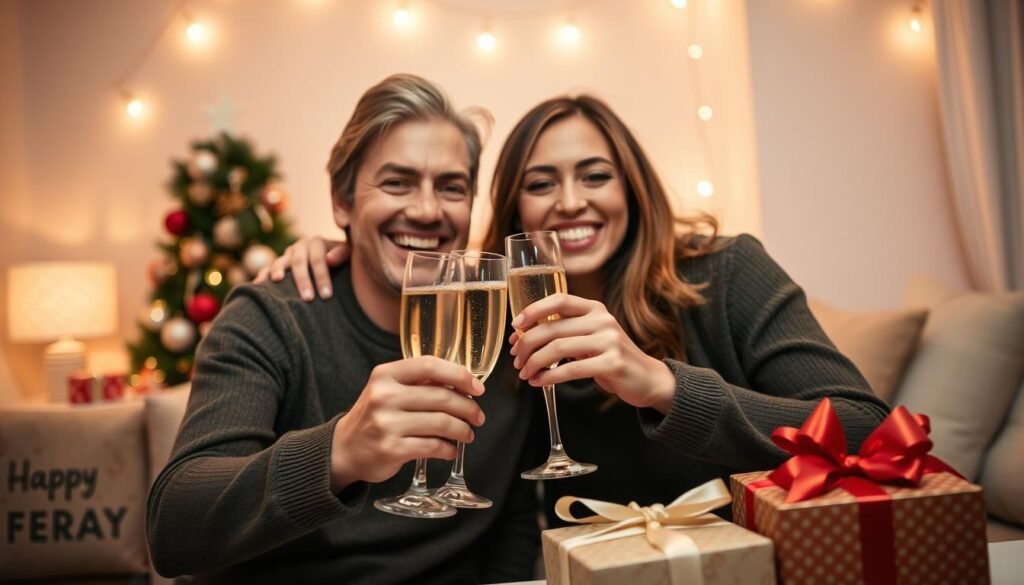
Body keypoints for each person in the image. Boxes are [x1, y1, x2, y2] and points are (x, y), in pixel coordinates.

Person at [262, 93, 891, 526]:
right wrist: (333, 246)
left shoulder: (722, 272)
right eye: (540, 184)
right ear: (515, 207)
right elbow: (512, 509)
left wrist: (664, 386)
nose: (570, 202)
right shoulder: (499, 318)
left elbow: (869, 430)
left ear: (631, 187)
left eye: (595, 176)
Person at [147, 74, 539, 584]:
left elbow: (512, 523)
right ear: (341, 201)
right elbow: (175, 529)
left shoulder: (504, 331)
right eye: (396, 182)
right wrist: (339, 452)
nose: (425, 210)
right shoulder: (271, 318)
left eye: (451, 187)